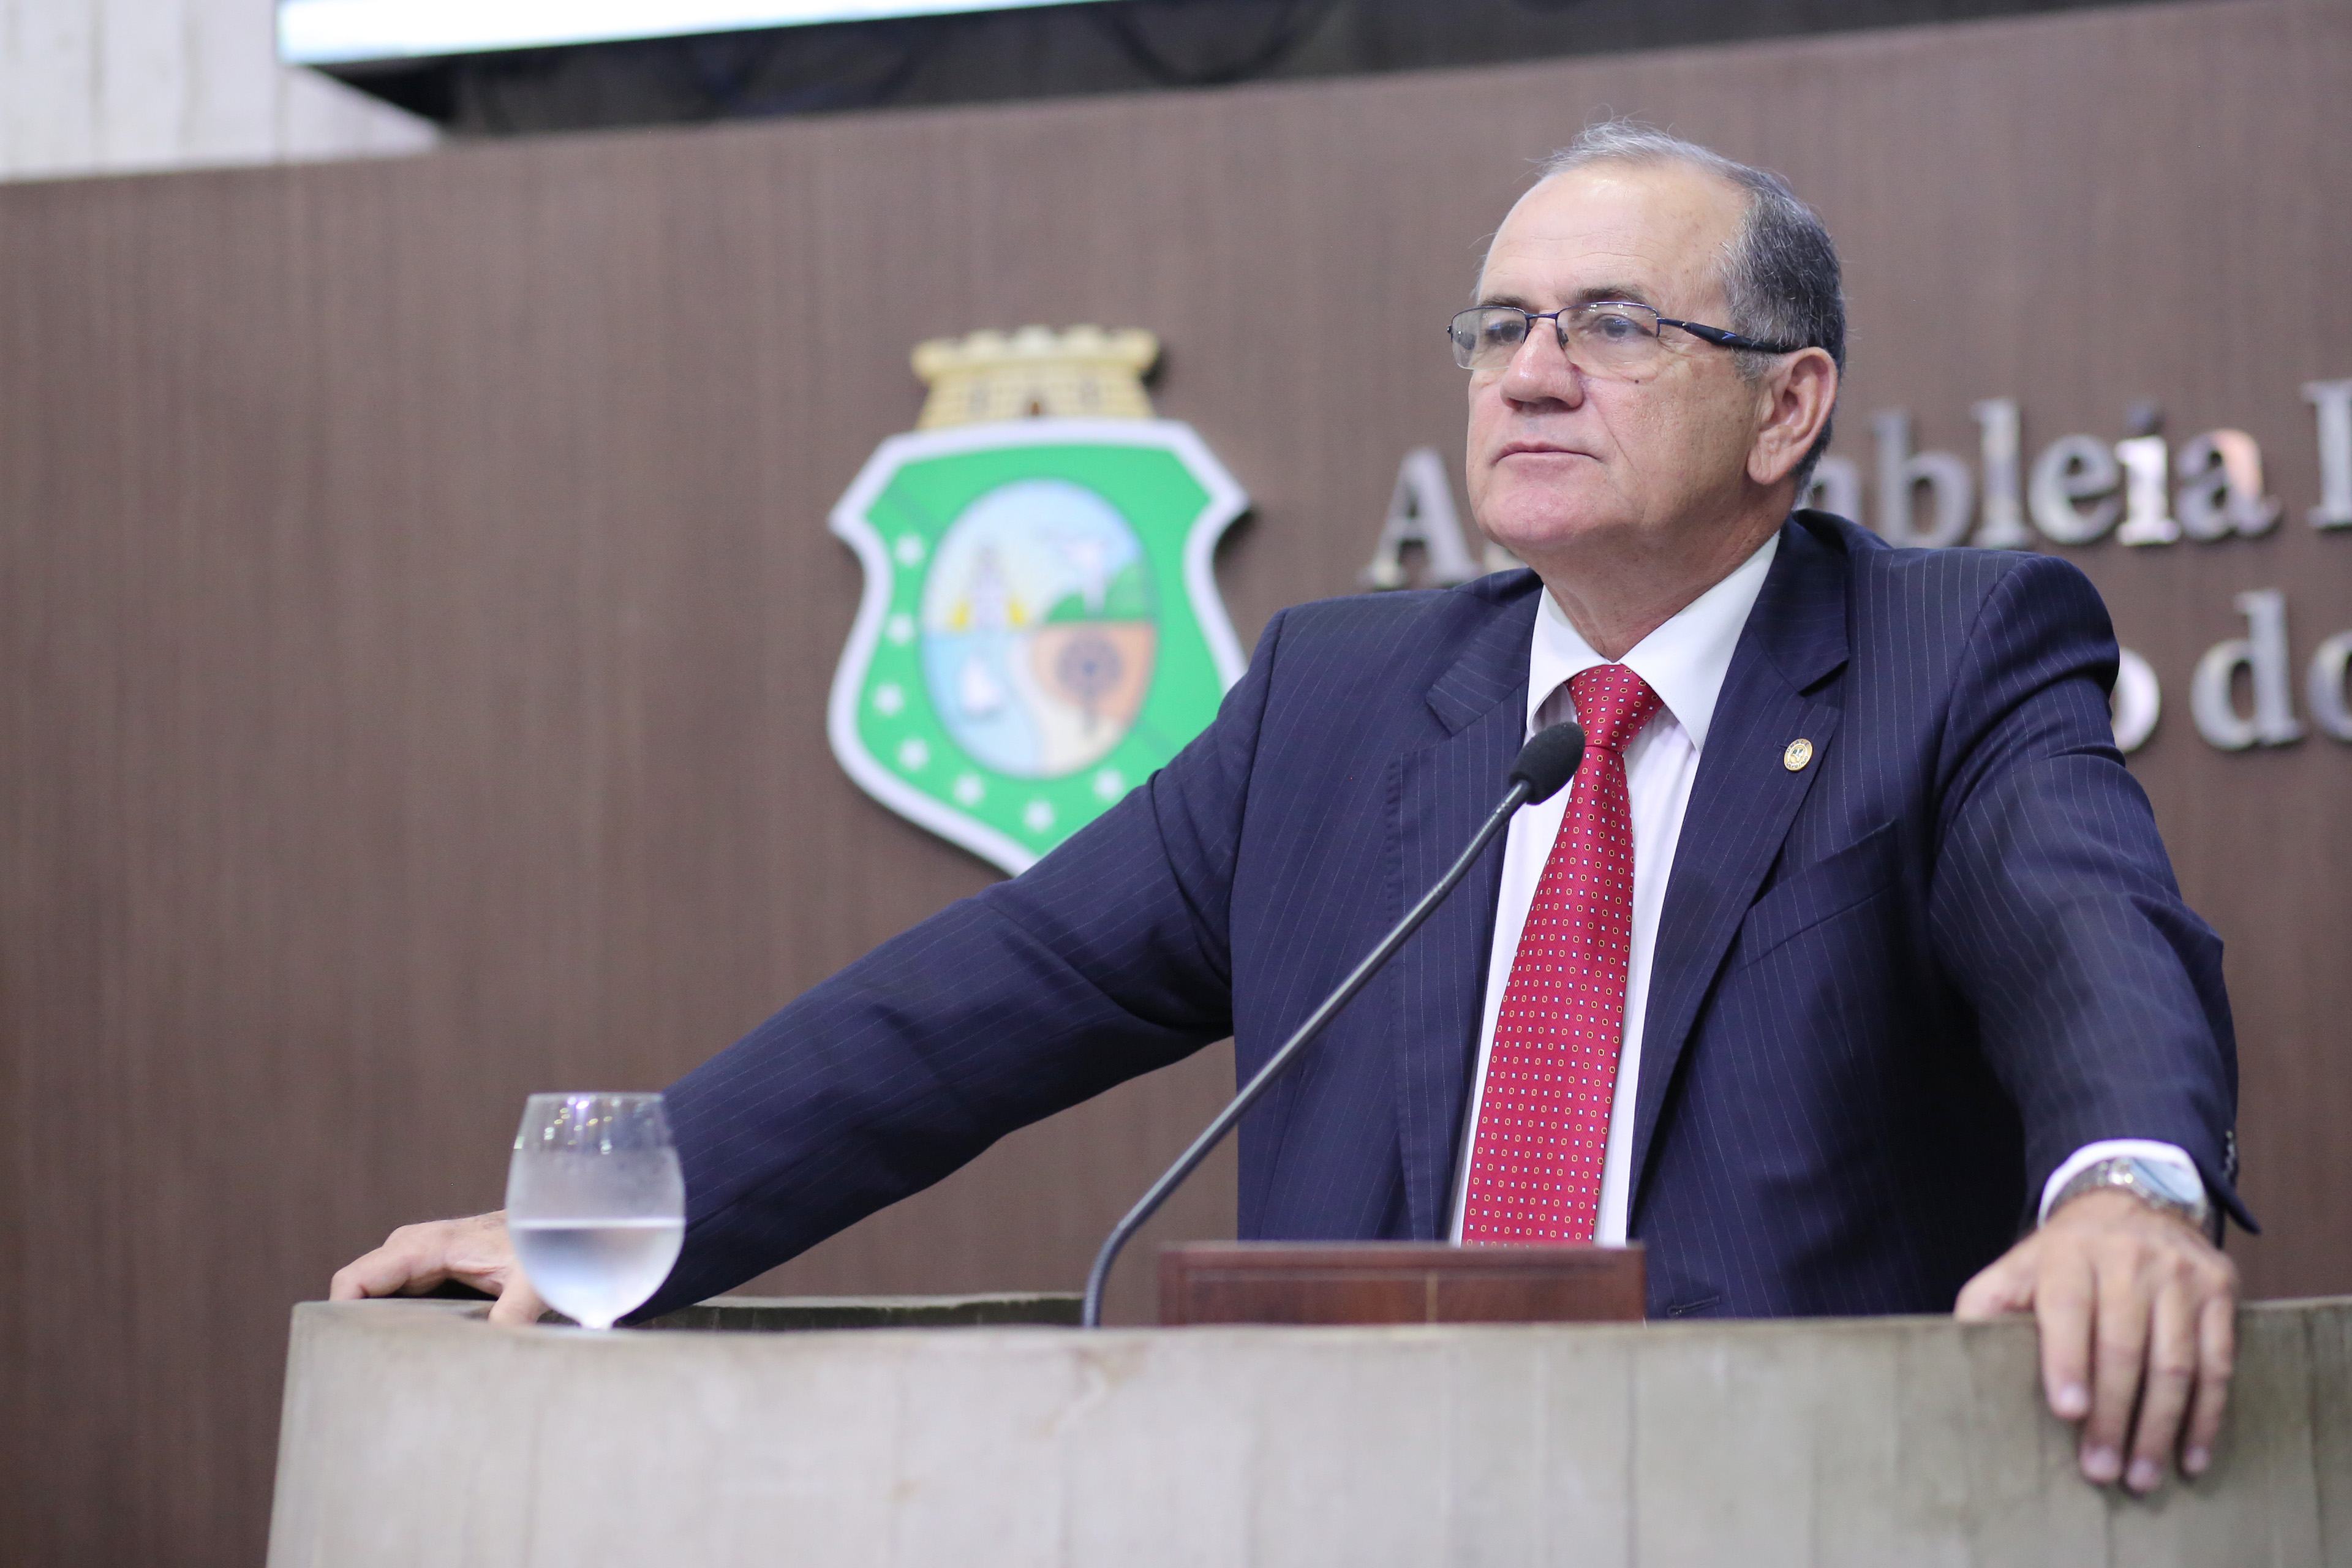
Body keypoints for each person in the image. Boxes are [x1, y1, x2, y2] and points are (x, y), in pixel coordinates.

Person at [334, 123, 2245, 1497]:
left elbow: (2092, 939)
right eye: (1499, 328)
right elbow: (981, 999)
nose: (1533, 375)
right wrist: (618, 1220)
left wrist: (2128, 1193)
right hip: (1352, 1505)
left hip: (1787, 1511)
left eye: (1611, 326)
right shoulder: (1341, 703)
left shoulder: (1950, 653)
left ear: (1787, 404)